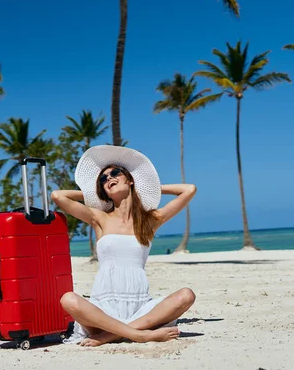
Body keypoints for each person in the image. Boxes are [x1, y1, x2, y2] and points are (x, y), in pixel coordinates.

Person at [51, 145, 197, 347]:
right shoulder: (99, 219)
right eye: (103, 179)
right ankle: (140, 334)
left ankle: (112, 335)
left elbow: (189, 190)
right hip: (103, 308)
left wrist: (146, 186)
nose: (108, 178)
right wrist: (93, 193)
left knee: (186, 295)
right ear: (103, 191)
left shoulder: (150, 221)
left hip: (141, 308)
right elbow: (58, 196)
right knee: (69, 299)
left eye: (115, 173)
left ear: (129, 179)